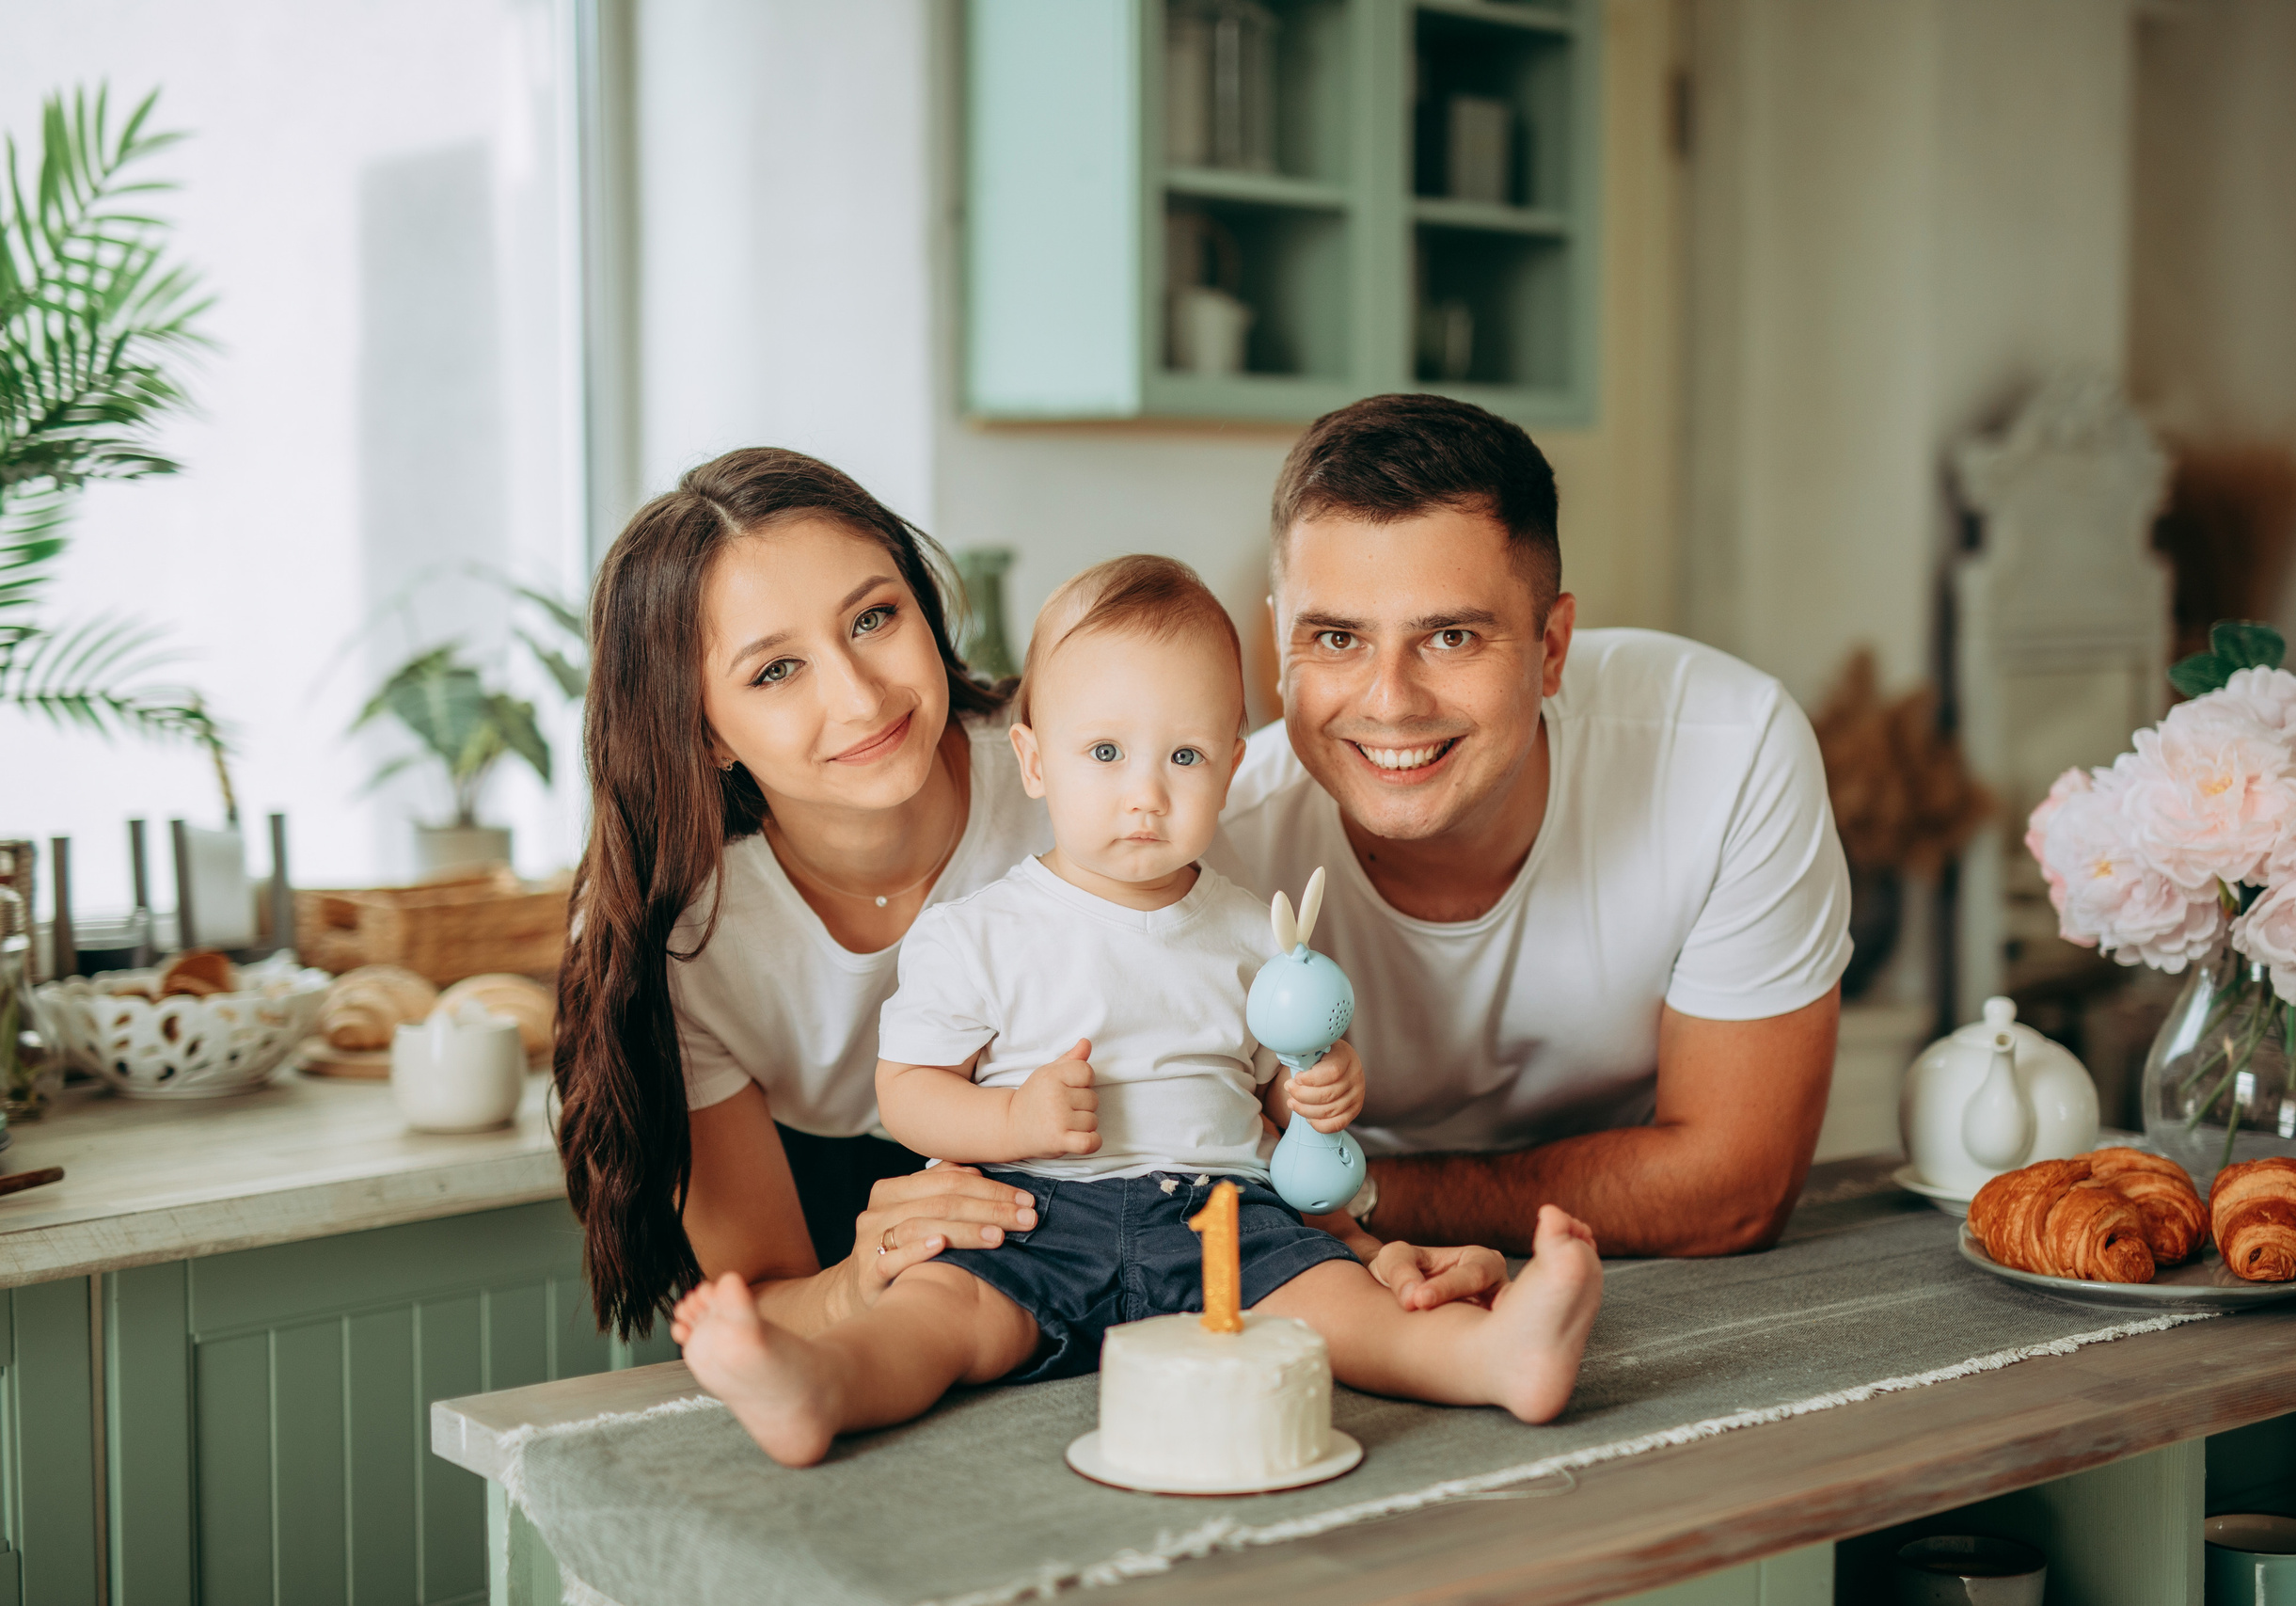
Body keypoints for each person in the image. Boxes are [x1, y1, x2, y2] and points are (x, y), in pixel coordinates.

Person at [554, 448, 1511, 1345]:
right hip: (867, 1244)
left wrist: (1359, 1253)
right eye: (773, 670)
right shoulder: (691, 941)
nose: (857, 695)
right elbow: (762, 1298)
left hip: (1141, 1211)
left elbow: (1232, 1094)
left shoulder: (1110, 781)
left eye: (873, 618)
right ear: (706, 730)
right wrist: (864, 1276)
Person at [670, 555, 1603, 1467]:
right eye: (1105, 754)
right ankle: (819, 1386)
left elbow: (1272, 1095)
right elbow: (907, 1092)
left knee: (1341, 1309)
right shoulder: (976, 930)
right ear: (1032, 760)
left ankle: (1491, 1358)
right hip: (1035, 1213)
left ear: (1233, 767)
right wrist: (1010, 1117)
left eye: (1184, 756)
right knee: (934, 1319)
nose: (1145, 796)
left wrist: (1317, 1086)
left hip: (1224, 1211)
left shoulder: (1253, 930)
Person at [1209, 394, 1854, 1258]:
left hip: (1632, 1274)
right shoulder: (1218, 841)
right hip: (1350, 1271)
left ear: (1552, 648)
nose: (1390, 702)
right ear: (1282, 642)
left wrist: (1363, 1194)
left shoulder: (1729, 750)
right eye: (1335, 638)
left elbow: (1735, 1190)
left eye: (1450, 636)